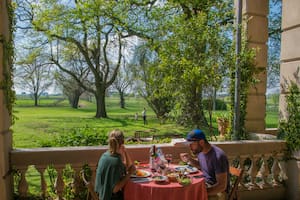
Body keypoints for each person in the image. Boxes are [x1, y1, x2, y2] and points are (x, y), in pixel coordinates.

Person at [180, 129, 229, 200]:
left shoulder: (218, 156)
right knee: (183, 190)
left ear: (202, 142)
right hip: (205, 184)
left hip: (217, 192)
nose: (190, 147)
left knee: (188, 195)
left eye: (192, 144)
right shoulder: (201, 151)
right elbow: (201, 165)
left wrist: (201, 192)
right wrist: (189, 159)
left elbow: (221, 186)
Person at [95, 129, 136, 200]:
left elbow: (127, 167)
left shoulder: (105, 155)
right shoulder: (116, 161)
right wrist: (129, 174)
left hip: (102, 195)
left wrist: (125, 152)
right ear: (122, 143)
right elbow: (115, 189)